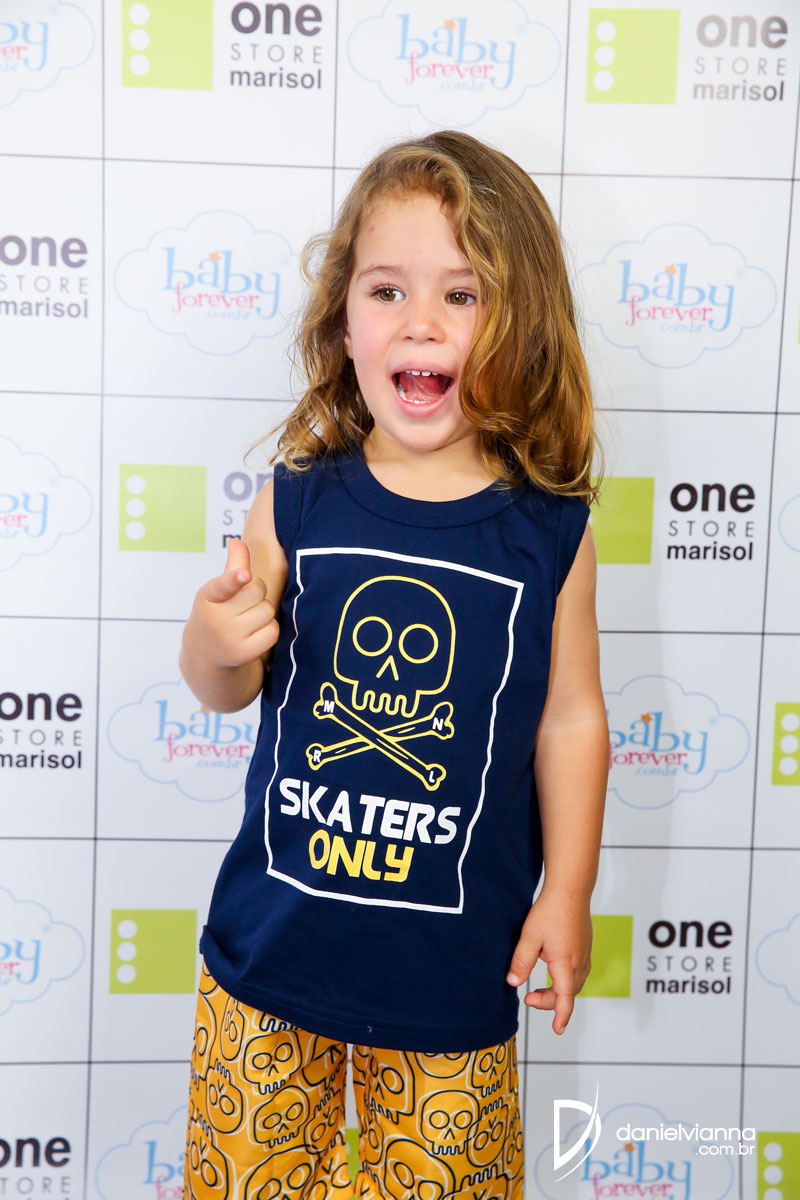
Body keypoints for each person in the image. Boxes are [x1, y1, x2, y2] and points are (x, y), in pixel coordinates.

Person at [179, 130, 609, 1200]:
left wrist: (567, 891)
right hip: (267, 967)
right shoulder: (295, 503)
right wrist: (211, 646)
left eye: (461, 295)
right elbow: (228, 686)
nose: (420, 321)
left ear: (520, 324)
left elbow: (569, 720)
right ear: (344, 319)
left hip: (451, 984)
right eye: (387, 290)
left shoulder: (549, 533)